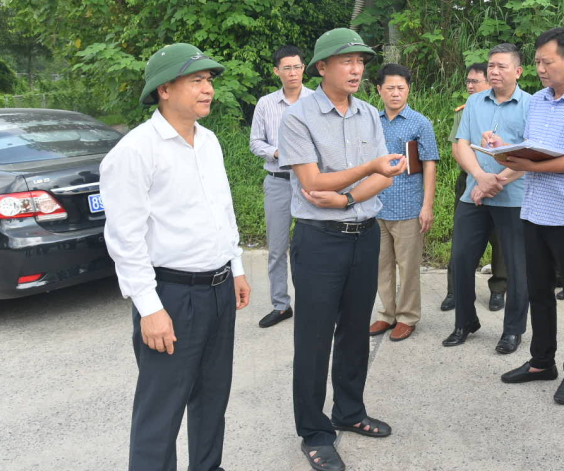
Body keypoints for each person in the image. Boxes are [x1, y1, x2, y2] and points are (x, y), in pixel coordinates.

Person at [101, 43, 251, 471]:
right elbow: (125, 240)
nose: (208, 90)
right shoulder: (135, 151)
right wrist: (150, 309)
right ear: (165, 89)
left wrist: (236, 267)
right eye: (196, 81)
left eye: (209, 81)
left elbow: (222, 210)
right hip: (171, 295)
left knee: (212, 399)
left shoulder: (209, 142)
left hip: (219, 288)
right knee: (160, 411)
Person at [278, 28, 407, 471]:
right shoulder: (298, 117)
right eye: (347, 61)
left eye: (361, 62)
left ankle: (349, 411)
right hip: (319, 240)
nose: (356, 70)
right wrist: (366, 172)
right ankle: (314, 431)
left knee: (355, 330)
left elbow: (386, 174)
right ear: (322, 68)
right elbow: (312, 182)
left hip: (363, 231)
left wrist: (350, 196)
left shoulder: (369, 113)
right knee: (313, 338)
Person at [495, 28, 564, 405]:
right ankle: (542, 361)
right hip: (535, 210)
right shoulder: (539, 101)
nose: (540, 69)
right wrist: (508, 159)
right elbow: (533, 152)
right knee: (537, 292)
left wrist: (533, 166)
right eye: (538, 62)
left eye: (547, 61)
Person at [443, 43, 531, 356]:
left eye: (501, 66)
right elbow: (463, 144)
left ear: (518, 71)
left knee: (518, 268)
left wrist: (498, 181)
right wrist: (480, 178)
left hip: (514, 199)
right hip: (474, 196)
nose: (494, 71)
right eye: (491, 66)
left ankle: (512, 331)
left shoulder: (530, 106)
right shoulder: (474, 102)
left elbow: (530, 155)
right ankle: (465, 322)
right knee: (462, 259)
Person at [368, 63, 440, 342]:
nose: (395, 93)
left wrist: (427, 205)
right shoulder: (372, 120)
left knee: (408, 267)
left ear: (409, 89)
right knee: (381, 265)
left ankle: (408, 316)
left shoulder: (420, 123)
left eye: (401, 88)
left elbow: (430, 164)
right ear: (379, 90)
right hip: (376, 205)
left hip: (408, 205)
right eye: (390, 88)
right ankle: (386, 314)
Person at [249, 45, 313, 329]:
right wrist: (277, 153)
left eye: (297, 67)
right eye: (286, 68)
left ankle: (313, 302)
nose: (292, 72)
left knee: (311, 246)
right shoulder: (265, 104)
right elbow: (255, 142)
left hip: (310, 182)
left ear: (304, 68)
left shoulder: (317, 100)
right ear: (277, 71)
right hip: (278, 181)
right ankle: (281, 305)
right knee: (277, 248)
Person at [441, 63, 508, 313]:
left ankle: (499, 288)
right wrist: (477, 177)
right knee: (462, 238)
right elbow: (458, 149)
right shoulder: (464, 110)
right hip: (470, 178)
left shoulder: (504, 109)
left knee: (500, 237)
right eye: (467, 81)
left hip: (501, 179)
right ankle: (454, 290)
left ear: (490, 83)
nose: (470, 86)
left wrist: (490, 180)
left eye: (475, 82)